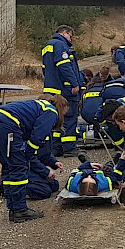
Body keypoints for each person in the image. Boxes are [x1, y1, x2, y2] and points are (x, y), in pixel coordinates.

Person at [0, 95, 68, 223]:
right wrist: (27, 156)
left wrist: (51, 161)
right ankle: (19, 210)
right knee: (18, 167)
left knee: (9, 166)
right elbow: (37, 138)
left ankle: (14, 208)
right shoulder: (51, 112)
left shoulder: (40, 107)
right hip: (7, 124)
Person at [42, 25, 84, 156]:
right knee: (69, 116)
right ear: (65, 33)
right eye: (71, 36)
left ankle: (56, 147)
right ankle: (69, 147)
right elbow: (64, 66)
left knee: (57, 117)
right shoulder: (60, 45)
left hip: (51, 89)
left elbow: (45, 69)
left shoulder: (47, 47)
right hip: (64, 89)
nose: (71, 39)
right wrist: (74, 83)